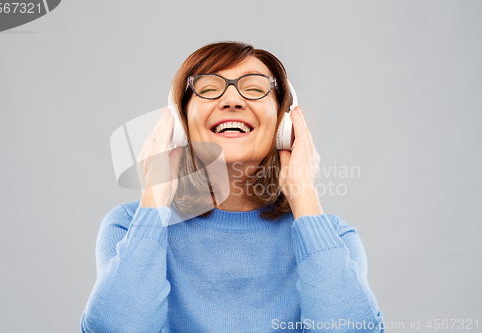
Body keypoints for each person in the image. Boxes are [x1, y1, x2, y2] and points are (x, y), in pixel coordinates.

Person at [80, 41, 385, 333]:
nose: (232, 100)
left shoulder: (334, 240)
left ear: (283, 126)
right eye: (209, 89)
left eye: (254, 89)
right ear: (180, 125)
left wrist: (303, 191)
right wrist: (156, 196)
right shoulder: (127, 227)